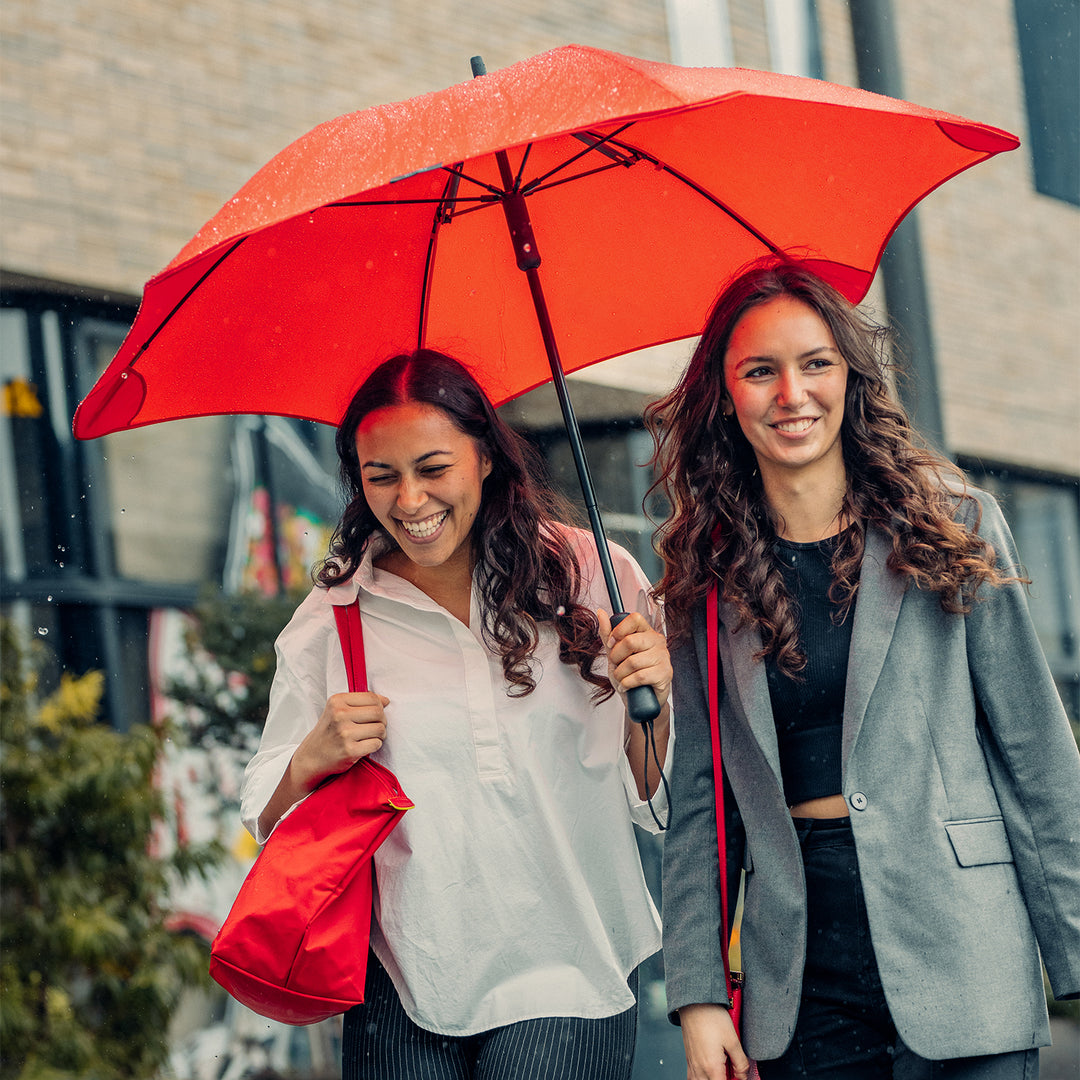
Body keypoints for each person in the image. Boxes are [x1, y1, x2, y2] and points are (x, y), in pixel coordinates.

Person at [648, 259, 1080, 1079]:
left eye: (815, 364)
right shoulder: (704, 582)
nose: (792, 394)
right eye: (760, 371)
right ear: (726, 394)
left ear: (851, 376)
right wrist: (700, 994)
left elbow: (1038, 757)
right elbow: (700, 808)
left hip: (962, 946)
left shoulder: (953, 526)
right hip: (798, 969)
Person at [240, 349, 672, 1080]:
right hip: (402, 981)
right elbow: (264, 812)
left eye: (433, 468)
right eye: (382, 476)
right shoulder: (334, 617)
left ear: (486, 459)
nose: (409, 500)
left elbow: (659, 803)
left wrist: (651, 703)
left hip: (571, 963)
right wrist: (312, 755)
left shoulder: (596, 576)